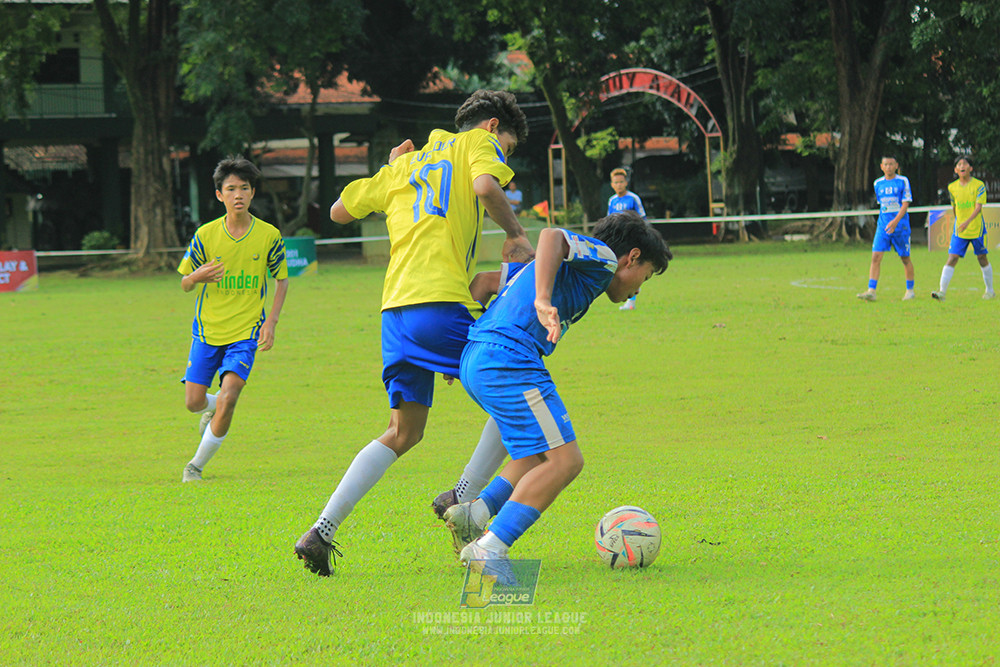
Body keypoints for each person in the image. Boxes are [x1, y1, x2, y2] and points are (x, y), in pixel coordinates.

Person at [294, 90, 533, 577]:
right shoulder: (475, 144)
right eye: (506, 147)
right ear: (490, 127)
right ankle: (462, 499)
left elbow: (339, 211)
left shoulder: (404, 164)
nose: (502, 156)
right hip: (438, 302)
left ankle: (321, 532)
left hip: (394, 313)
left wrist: (388, 169)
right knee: (522, 392)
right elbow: (487, 187)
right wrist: (515, 233)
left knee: (405, 431)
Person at [442, 211, 672, 580]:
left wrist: (455, 352)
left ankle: (476, 513)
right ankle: (489, 548)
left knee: (537, 454)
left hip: (479, 357)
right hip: (509, 360)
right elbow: (551, 235)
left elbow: (485, 282)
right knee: (566, 461)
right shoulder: (604, 258)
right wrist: (543, 299)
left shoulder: (572, 271)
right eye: (643, 277)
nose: (638, 290)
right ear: (631, 258)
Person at [177, 156, 289, 482]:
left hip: (247, 330)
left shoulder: (268, 236)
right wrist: (197, 276)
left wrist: (272, 321)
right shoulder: (206, 235)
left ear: (253, 193)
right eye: (230, 188)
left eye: (244, 188)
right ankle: (217, 405)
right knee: (193, 402)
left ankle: (194, 467)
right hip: (207, 330)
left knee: (230, 395)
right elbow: (184, 283)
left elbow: (281, 279)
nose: (237, 194)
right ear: (219, 195)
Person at [931, 156, 994, 300]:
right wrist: (959, 222)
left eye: (965, 164)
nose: (962, 166)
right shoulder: (952, 187)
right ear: (955, 170)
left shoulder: (979, 185)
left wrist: (967, 222)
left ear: (970, 168)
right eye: (959, 164)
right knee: (952, 257)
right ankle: (942, 292)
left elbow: (978, 208)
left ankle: (990, 291)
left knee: (982, 257)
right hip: (960, 230)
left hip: (976, 229)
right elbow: (954, 206)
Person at [856, 156, 915, 301]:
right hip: (883, 226)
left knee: (905, 258)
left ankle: (910, 290)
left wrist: (895, 221)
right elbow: (882, 205)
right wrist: (887, 223)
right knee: (875, 257)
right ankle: (871, 290)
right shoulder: (877, 183)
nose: (888, 167)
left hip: (900, 226)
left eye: (891, 164)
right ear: (881, 166)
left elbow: (905, 204)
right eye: (886, 164)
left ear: (896, 166)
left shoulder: (903, 181)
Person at [607, 168, 647, 310]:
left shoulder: (633, 198)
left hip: (632, 239)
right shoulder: (612, 201)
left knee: (630, 267)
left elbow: (642, 218)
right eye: (616, 182)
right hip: (618, 240)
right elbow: (609, 221)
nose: (619, 185)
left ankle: (631, 300)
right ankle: (627, 297)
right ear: (612, 184)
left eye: (621, 182)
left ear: (626, 183)